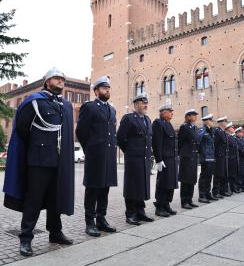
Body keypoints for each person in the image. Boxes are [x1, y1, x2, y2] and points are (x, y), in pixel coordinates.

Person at [3, 67, 74, 256]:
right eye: (56, 78)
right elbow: (22, 129)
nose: (60, 81)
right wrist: (38, 146)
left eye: (62, 79)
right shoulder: (34, 102)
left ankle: (55, 233)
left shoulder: (64, 105)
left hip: (59, 161)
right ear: (47, 82)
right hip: (39, 160)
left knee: (55, 199)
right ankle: (25, 238)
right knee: (33, 200)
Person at [76, 76, 117, 237]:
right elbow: (81, 131)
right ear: (96, 91)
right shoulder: (89, 107)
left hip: (108, 156)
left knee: (104, 188)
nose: (107, 90)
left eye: (108, 88)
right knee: (92, 189)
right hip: (95, 156)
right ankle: (90, 222)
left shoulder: (112, 110)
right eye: (103, 88)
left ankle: (101, 219)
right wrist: (90, 149)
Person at [117, 93, 154, 225]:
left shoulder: (148, 119)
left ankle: (141, 212)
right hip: (133, 158)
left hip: (144, 159)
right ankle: (131, 214)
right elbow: (120, 138)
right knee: (132, 186)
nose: (145, 105)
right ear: (136, 104)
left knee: (142, 185)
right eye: (143, 103)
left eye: (146, 103)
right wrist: (129, 152)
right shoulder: (129, 118)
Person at [152, 104, 178, 217]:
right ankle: (159, 206)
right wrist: (159, 159)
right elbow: (157, 143)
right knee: (163, 183)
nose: (172, 113)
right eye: (170, 111)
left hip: (172, 158)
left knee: (171, 183)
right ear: (163, 112)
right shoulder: (158, 123)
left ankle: (167, 204)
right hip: (165, 160)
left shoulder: (169, 124)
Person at [178, 109, 199, 210]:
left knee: (192, 179)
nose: (195, 117)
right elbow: (180, 142)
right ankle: (184, 201)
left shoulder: (194, 127)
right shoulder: (184, 127)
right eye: (193, 115)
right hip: (186, 157)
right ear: (188, 116)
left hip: (193, 156)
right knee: (185, 180)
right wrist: (181, 154)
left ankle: (190, 199)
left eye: (195, 115)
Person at [197, 114, 217, 203]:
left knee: (209, 177)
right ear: (207, 121)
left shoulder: (211, 131)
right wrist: (202, 153)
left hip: (211, 157)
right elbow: (197, 142)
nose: (212, 122)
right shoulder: (202, 130)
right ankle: (202, 195)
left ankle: (208, 194)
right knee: (204, 177)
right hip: (205, 158)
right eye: (211, 120)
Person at [212, 116, 229, 198]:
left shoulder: (223, 132)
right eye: (225, 121)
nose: (226, 123)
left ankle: (222, 190)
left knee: (224, 174)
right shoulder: (217, 131)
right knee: (218, 174)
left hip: (224, 156)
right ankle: (215, 192)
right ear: (221, 122)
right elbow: (215, 144)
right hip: (218, 156)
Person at [224, 122, 239, 194]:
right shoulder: (226, 136)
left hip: (234, 158)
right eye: (232, 127)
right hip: (229, 158)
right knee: (229, 175)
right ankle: (228, 188)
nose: (233, 129)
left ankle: (233, 187)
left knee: (233, 174)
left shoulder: (232, 137)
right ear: (228, 129)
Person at [235, 127, 244, 191]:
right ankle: (238, 186)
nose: (242, 133)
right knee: (240, 173)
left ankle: (243, 185)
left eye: (242, 132)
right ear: (237, 133)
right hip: (240, 158)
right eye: (240, 132)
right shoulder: (236, 140)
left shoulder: (242, 140)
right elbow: (240, 149)